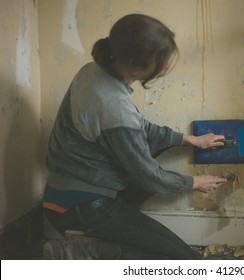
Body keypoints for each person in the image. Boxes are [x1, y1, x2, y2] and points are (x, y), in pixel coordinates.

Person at [42, 14, 227, 260]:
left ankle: (98, 241)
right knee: (185, 261)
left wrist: (189, 140)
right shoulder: (115, 108)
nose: (165, 67)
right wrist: (194, 182)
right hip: (79, 206)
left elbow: (139, 131)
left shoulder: (92, 71)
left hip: (63, 189)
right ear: (135, 67)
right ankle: (81, 251)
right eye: (161, 62)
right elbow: (148, 176)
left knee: (154, 150)